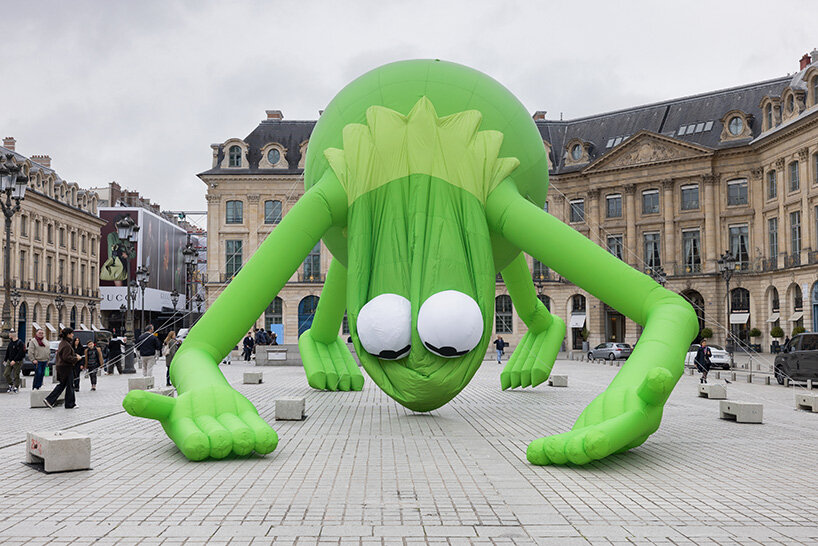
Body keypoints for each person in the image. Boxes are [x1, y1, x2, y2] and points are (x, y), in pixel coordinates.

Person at [44, 328, 83, 409]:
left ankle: (49, 400)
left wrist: (74, 355)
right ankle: (70, 404)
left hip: (62, 367)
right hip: (66, 368)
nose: (73, 335)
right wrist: (76, 358)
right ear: (68, 334)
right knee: (69, 385)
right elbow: (67, 357)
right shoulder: (66, 344)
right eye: (72, 333)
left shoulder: (63, 343)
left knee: (62, 385)